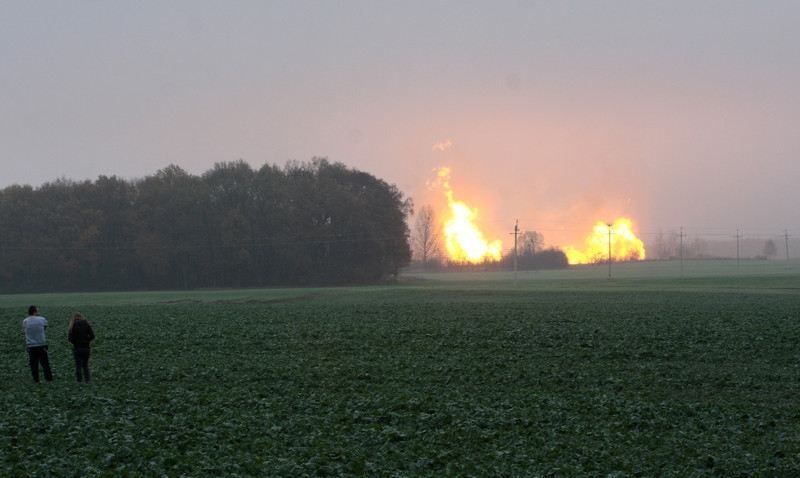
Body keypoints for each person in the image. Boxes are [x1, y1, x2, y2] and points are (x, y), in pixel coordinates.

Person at [23, 305, 53, 383]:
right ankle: (49, 379)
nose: (38, 312)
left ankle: (36, 380)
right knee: (45, 364)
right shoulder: (42, 319)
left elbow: (25, 330)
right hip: (41, 345)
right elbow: (44, 328)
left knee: (34, 365)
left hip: (31, 346)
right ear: (34, 311)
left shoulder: (25, 321)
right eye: (37, 311)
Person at [68, 312, 95, 382]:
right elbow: (92, 336)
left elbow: (70, 339)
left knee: (78, 366)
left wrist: (75, 342)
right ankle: (87, 381)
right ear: (82, 317)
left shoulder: (72, 326)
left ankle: (79, 382)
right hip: (86, 348)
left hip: (77, 348)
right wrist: (87, 341)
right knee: (85, 365)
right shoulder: (86, 324)